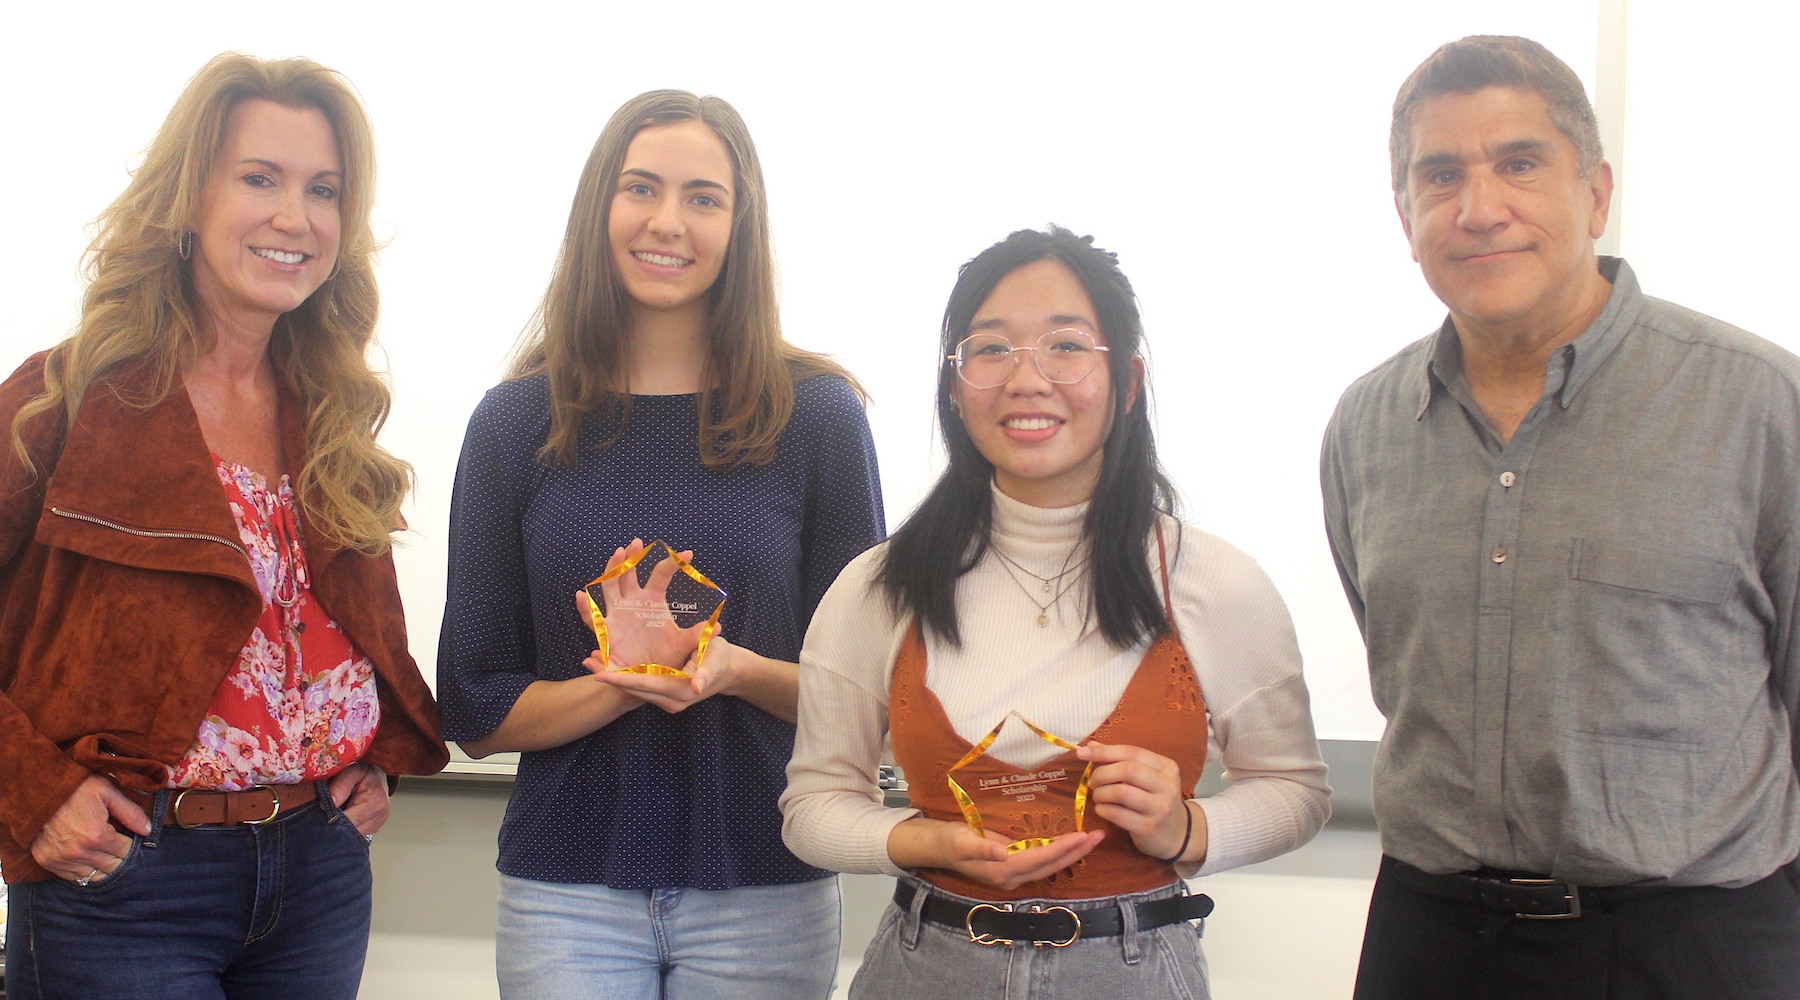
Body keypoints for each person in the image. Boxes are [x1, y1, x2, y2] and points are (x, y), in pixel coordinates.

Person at [1321, 34, 1800, 999]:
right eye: (1441, 175)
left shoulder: (1759, 405)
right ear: (1406, 217)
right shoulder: (1363, 427)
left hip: (1696, 944)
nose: (1480, 207)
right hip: (1431, 940)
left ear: (1595, 193)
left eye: (1521, 165)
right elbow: (1393, 660)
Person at [0, 53, 449, 1000]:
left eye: (323, 190)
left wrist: (379, 763)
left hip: (320, 875)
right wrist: (32, 792)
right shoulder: (64, 400)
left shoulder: (330, 412)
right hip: (126, 881)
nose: (296, 217)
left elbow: (329, 640)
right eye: (259, 178)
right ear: (187, 199)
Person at [782, 225, 1330, 999]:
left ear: (1129, 383)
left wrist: (1186, 829)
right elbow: (811, 809)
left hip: (1135, 968)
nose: (1027, 378)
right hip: (927, 963)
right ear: (955, 384)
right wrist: (916, 838)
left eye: (1067, 347)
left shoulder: (1214, 582)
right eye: (992, 349)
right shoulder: (881, 585)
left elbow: (1296, 790)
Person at [438, 90, 884, 1000]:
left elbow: (866, 698)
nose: (667, 222)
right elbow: (475, 711)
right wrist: (624, 682)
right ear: (600, 206)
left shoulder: (820, 419)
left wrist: (726, 669)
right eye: (641, 188)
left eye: (703, 198)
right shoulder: (513, 422)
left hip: (767, 878)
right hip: (567, 889)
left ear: (740, 226)